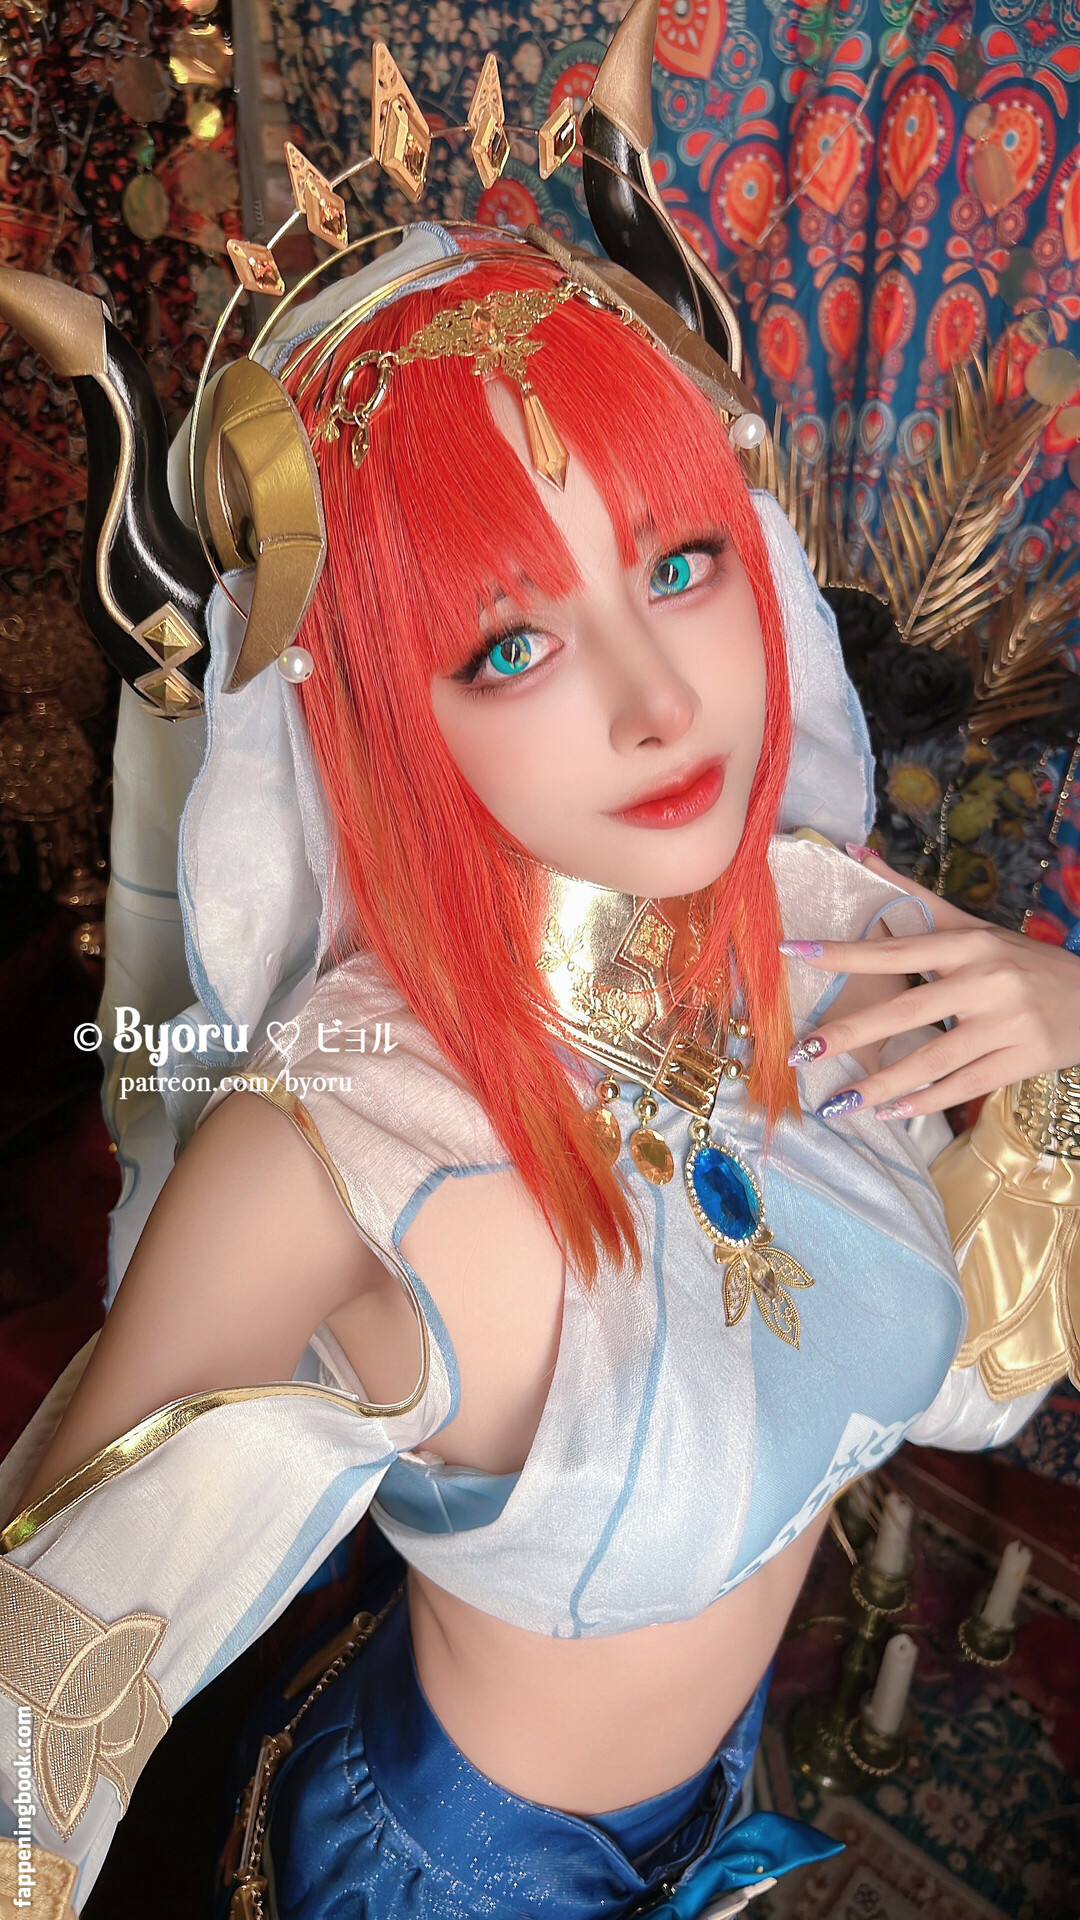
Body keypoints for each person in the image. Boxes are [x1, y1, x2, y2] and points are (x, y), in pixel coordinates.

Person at [1, 9, 1078, 1916]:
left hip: (716, 1801)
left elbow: (978, 1364)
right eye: (511, 645)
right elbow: (30, 1703)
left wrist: (1068, 1037)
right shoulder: (336, 1148)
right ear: (370, 718)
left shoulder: (828, 932)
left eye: (680, 565)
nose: (662, 703)